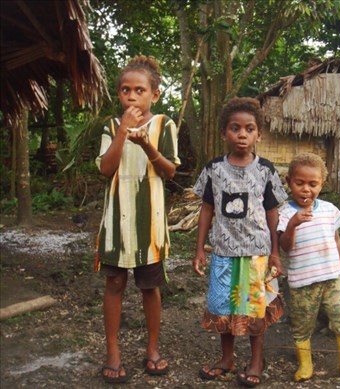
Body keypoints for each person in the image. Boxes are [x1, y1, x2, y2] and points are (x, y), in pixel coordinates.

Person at [95, 55, 180, 384]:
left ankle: (152, 348)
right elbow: (106, 169)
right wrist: (124, 133)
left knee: (150, 287)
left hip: (150, 226)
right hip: (117, 225)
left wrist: (147, 146)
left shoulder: (164, 126)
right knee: (114, 283)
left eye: (139, 90)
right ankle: (113, 351)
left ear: (154, 95)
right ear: (119, 94)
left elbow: (170, 171)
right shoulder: (111, 127)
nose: (132, 96)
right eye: (125, 90)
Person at [192, 97, 287, 387]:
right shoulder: (213, 170)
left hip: (257, 254)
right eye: (235, 128)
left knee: (256, 309)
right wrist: (199, 248)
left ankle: (257, 360)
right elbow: (207, 208)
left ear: (258, 134)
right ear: (224, 133)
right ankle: (227, 358)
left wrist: (275, 252)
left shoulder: (266, 171)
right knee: (224, 307)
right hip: (222, 252)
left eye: (249, 129)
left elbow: (273, 213)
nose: (242, 134)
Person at [277, 152, 340, 382]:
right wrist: (293, 224)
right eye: (299, 183)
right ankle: (305, 364)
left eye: (313, 184)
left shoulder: (329, 210)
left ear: (322, 184)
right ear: (289, 182)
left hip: (331, 276)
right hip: (302, 282)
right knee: (302, 324)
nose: (306, 189)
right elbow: (285, 247)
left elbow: (337, 241)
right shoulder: (285, 213)